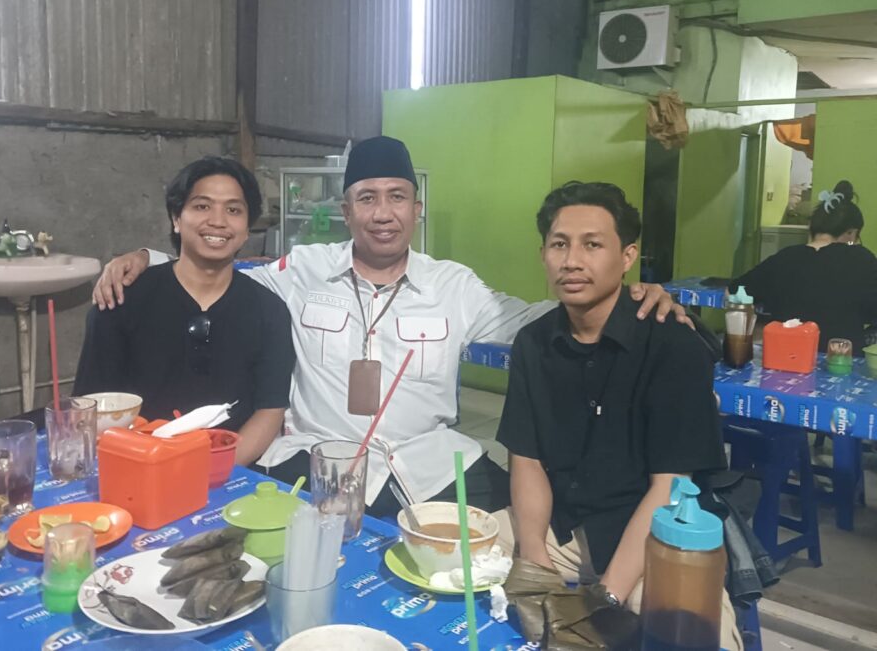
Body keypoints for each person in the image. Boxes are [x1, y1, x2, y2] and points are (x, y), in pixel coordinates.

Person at [92, 137, 687, 517]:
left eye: (398, 197)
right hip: (314, 460)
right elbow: (220, 266)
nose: (383, 213)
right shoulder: (302, 270)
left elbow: (534, 320)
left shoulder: (454, 285)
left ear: (416, 209)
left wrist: (627, 294)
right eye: (368, 198)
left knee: (519, 527)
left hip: (427, 464)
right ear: (346, 210)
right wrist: (146, 257)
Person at [496, 181, 741, 650]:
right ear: (543, 254)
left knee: (693, 633)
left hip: (650, 541)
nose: (572, 261)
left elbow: (668, 489)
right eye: (559, 245)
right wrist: (534, 561)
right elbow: (526, 459)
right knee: (451, 549)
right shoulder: (533, 344)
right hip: (562, 529)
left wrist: (603, 599)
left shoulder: (673, 345)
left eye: (592, 245)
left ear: (627, 257)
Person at [73, 157, 295, 466]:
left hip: (228, 470)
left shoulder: (269, 310)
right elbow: (91, 406)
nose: (218, 221)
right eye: (202, 206)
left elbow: (269, 410)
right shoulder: (122, 300)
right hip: (135, 465)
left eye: (233, 210)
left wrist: (216, 471)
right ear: (176, 219)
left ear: (246, 229)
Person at [729, 180, 877, 353]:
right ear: (851, 232)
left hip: (784, 355)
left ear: (812, 228)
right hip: (839, 359)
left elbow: (734, 291)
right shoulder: (862, 258)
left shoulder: (784, 257)